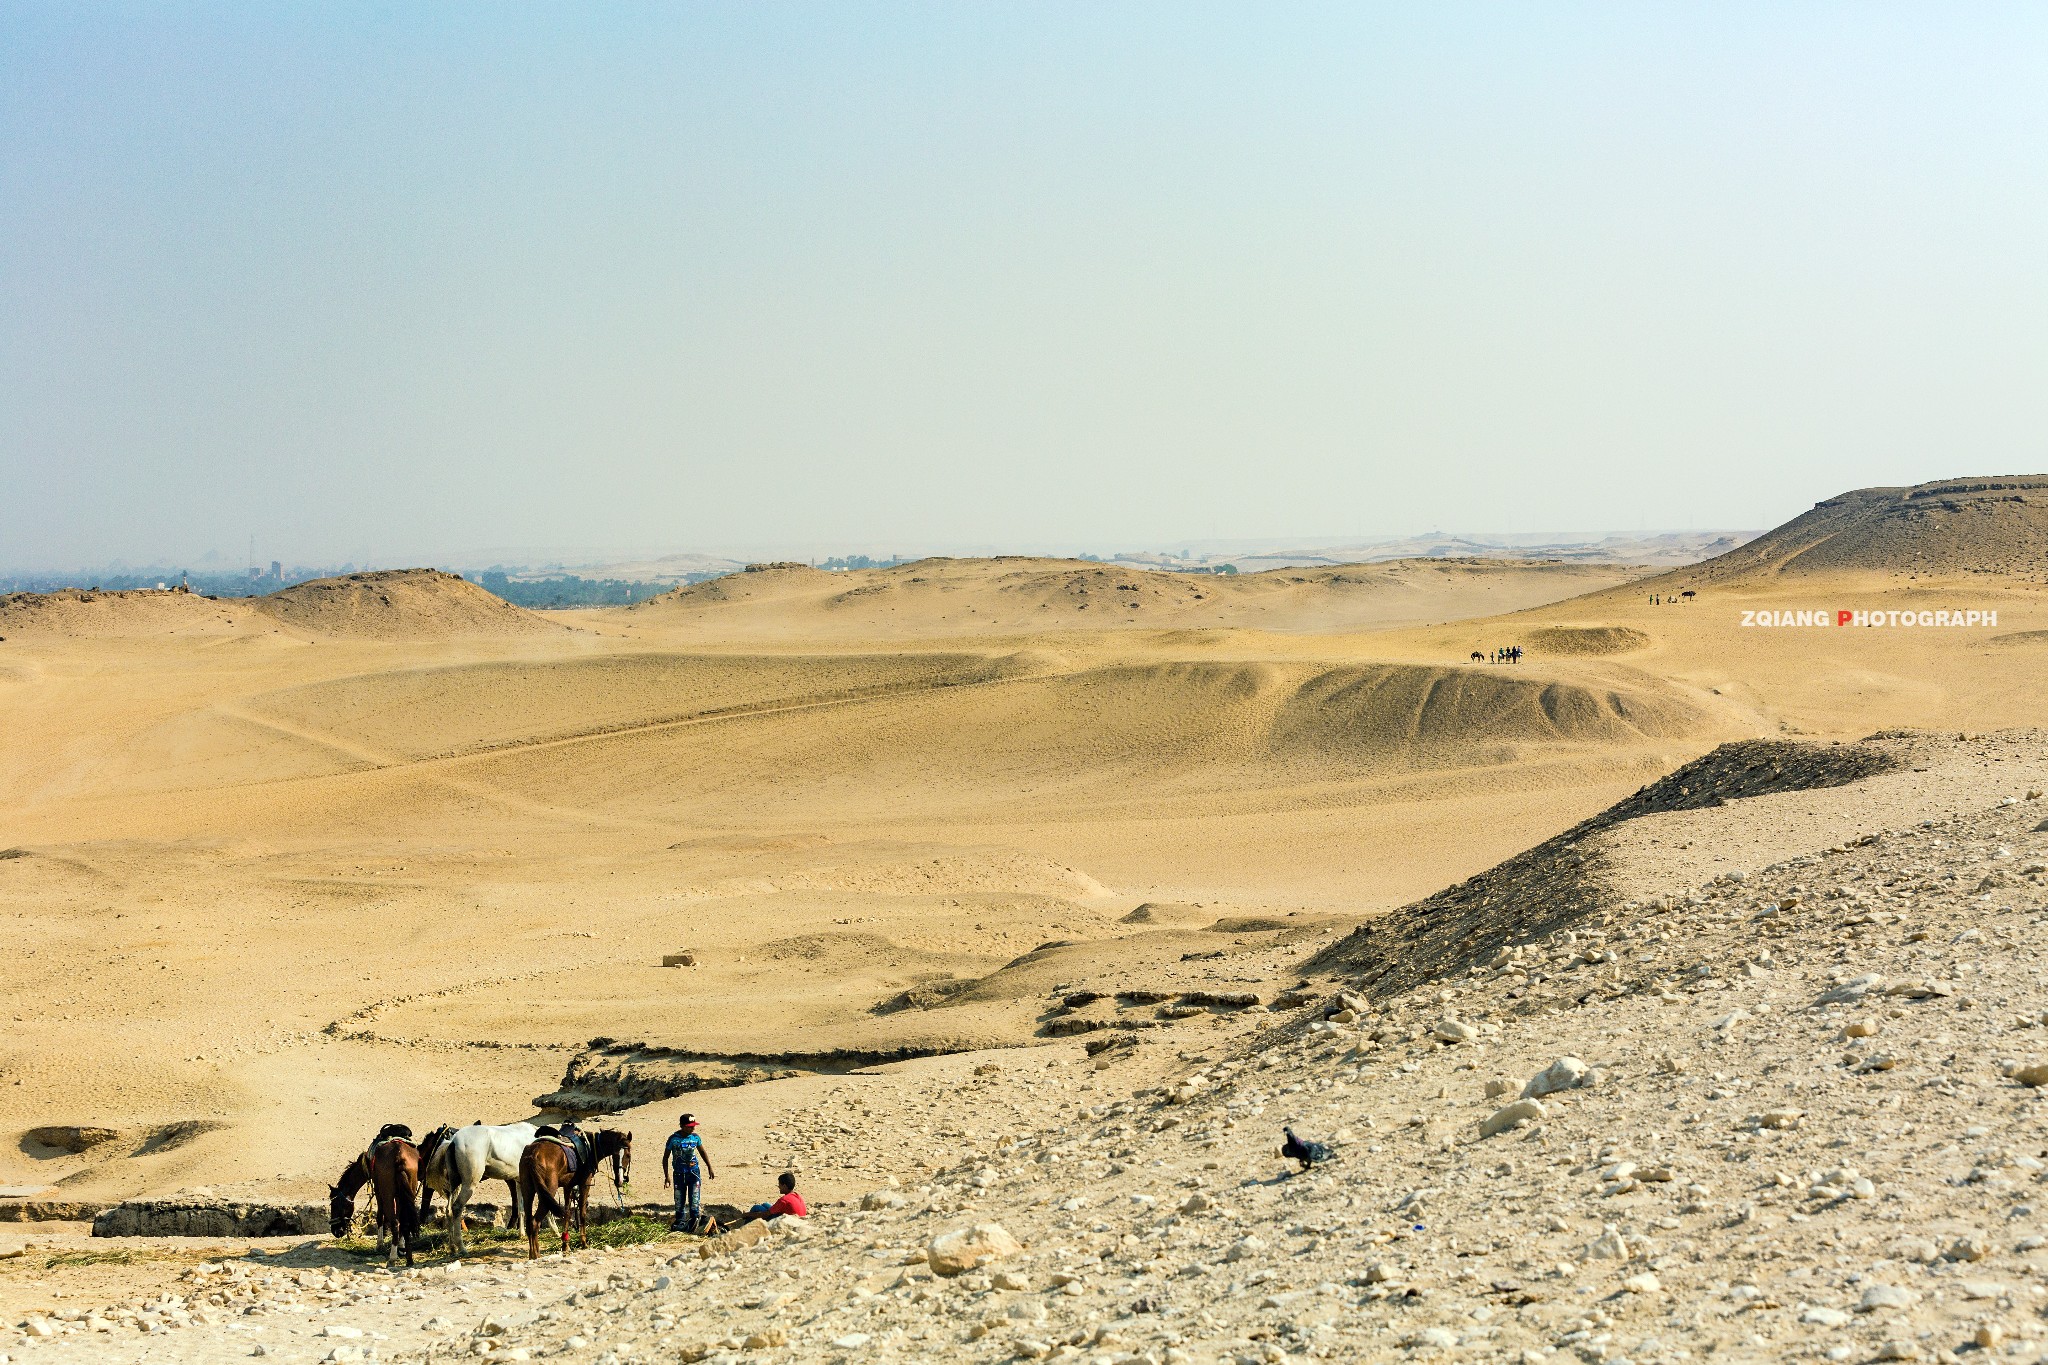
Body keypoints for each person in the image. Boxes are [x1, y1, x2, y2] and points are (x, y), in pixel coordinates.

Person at [662, 1113, 715, 1233]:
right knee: (679, 1201)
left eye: (693, 1126)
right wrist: (667, 1176)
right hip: (679, 1174)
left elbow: (702, 1152)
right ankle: (680, 1224)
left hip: (694, 1174)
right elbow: (665, 1158)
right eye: (690, 1126)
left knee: (694, 1200)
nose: (693, 1128)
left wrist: (709, 1167)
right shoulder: (673, 1139)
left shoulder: (695, 1138)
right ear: (682, 1126)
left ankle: (694, 1223)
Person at [736, 1171, 807, 1225]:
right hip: (796, 1218)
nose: (778, 1187)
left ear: (784, 1186)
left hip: (788, 1222)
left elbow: (764, 1215)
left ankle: (744, 1226)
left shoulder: (784, 1200)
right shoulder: (796, 1195)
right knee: (765, 1204)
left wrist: (747, 1214)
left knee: (756, 1208)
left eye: (779, 1185)